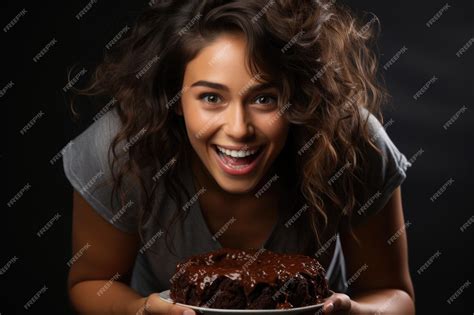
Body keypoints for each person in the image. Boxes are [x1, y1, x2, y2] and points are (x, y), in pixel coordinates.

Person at [63, 0, 415, 314]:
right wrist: (140, 311)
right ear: (174, 98)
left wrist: (358, 314)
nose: (238, 129)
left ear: (299, 97)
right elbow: (91, 283)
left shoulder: (349, 142)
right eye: (211, 98)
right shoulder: (121, 149)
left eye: (264, 98)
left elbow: (394, 293)